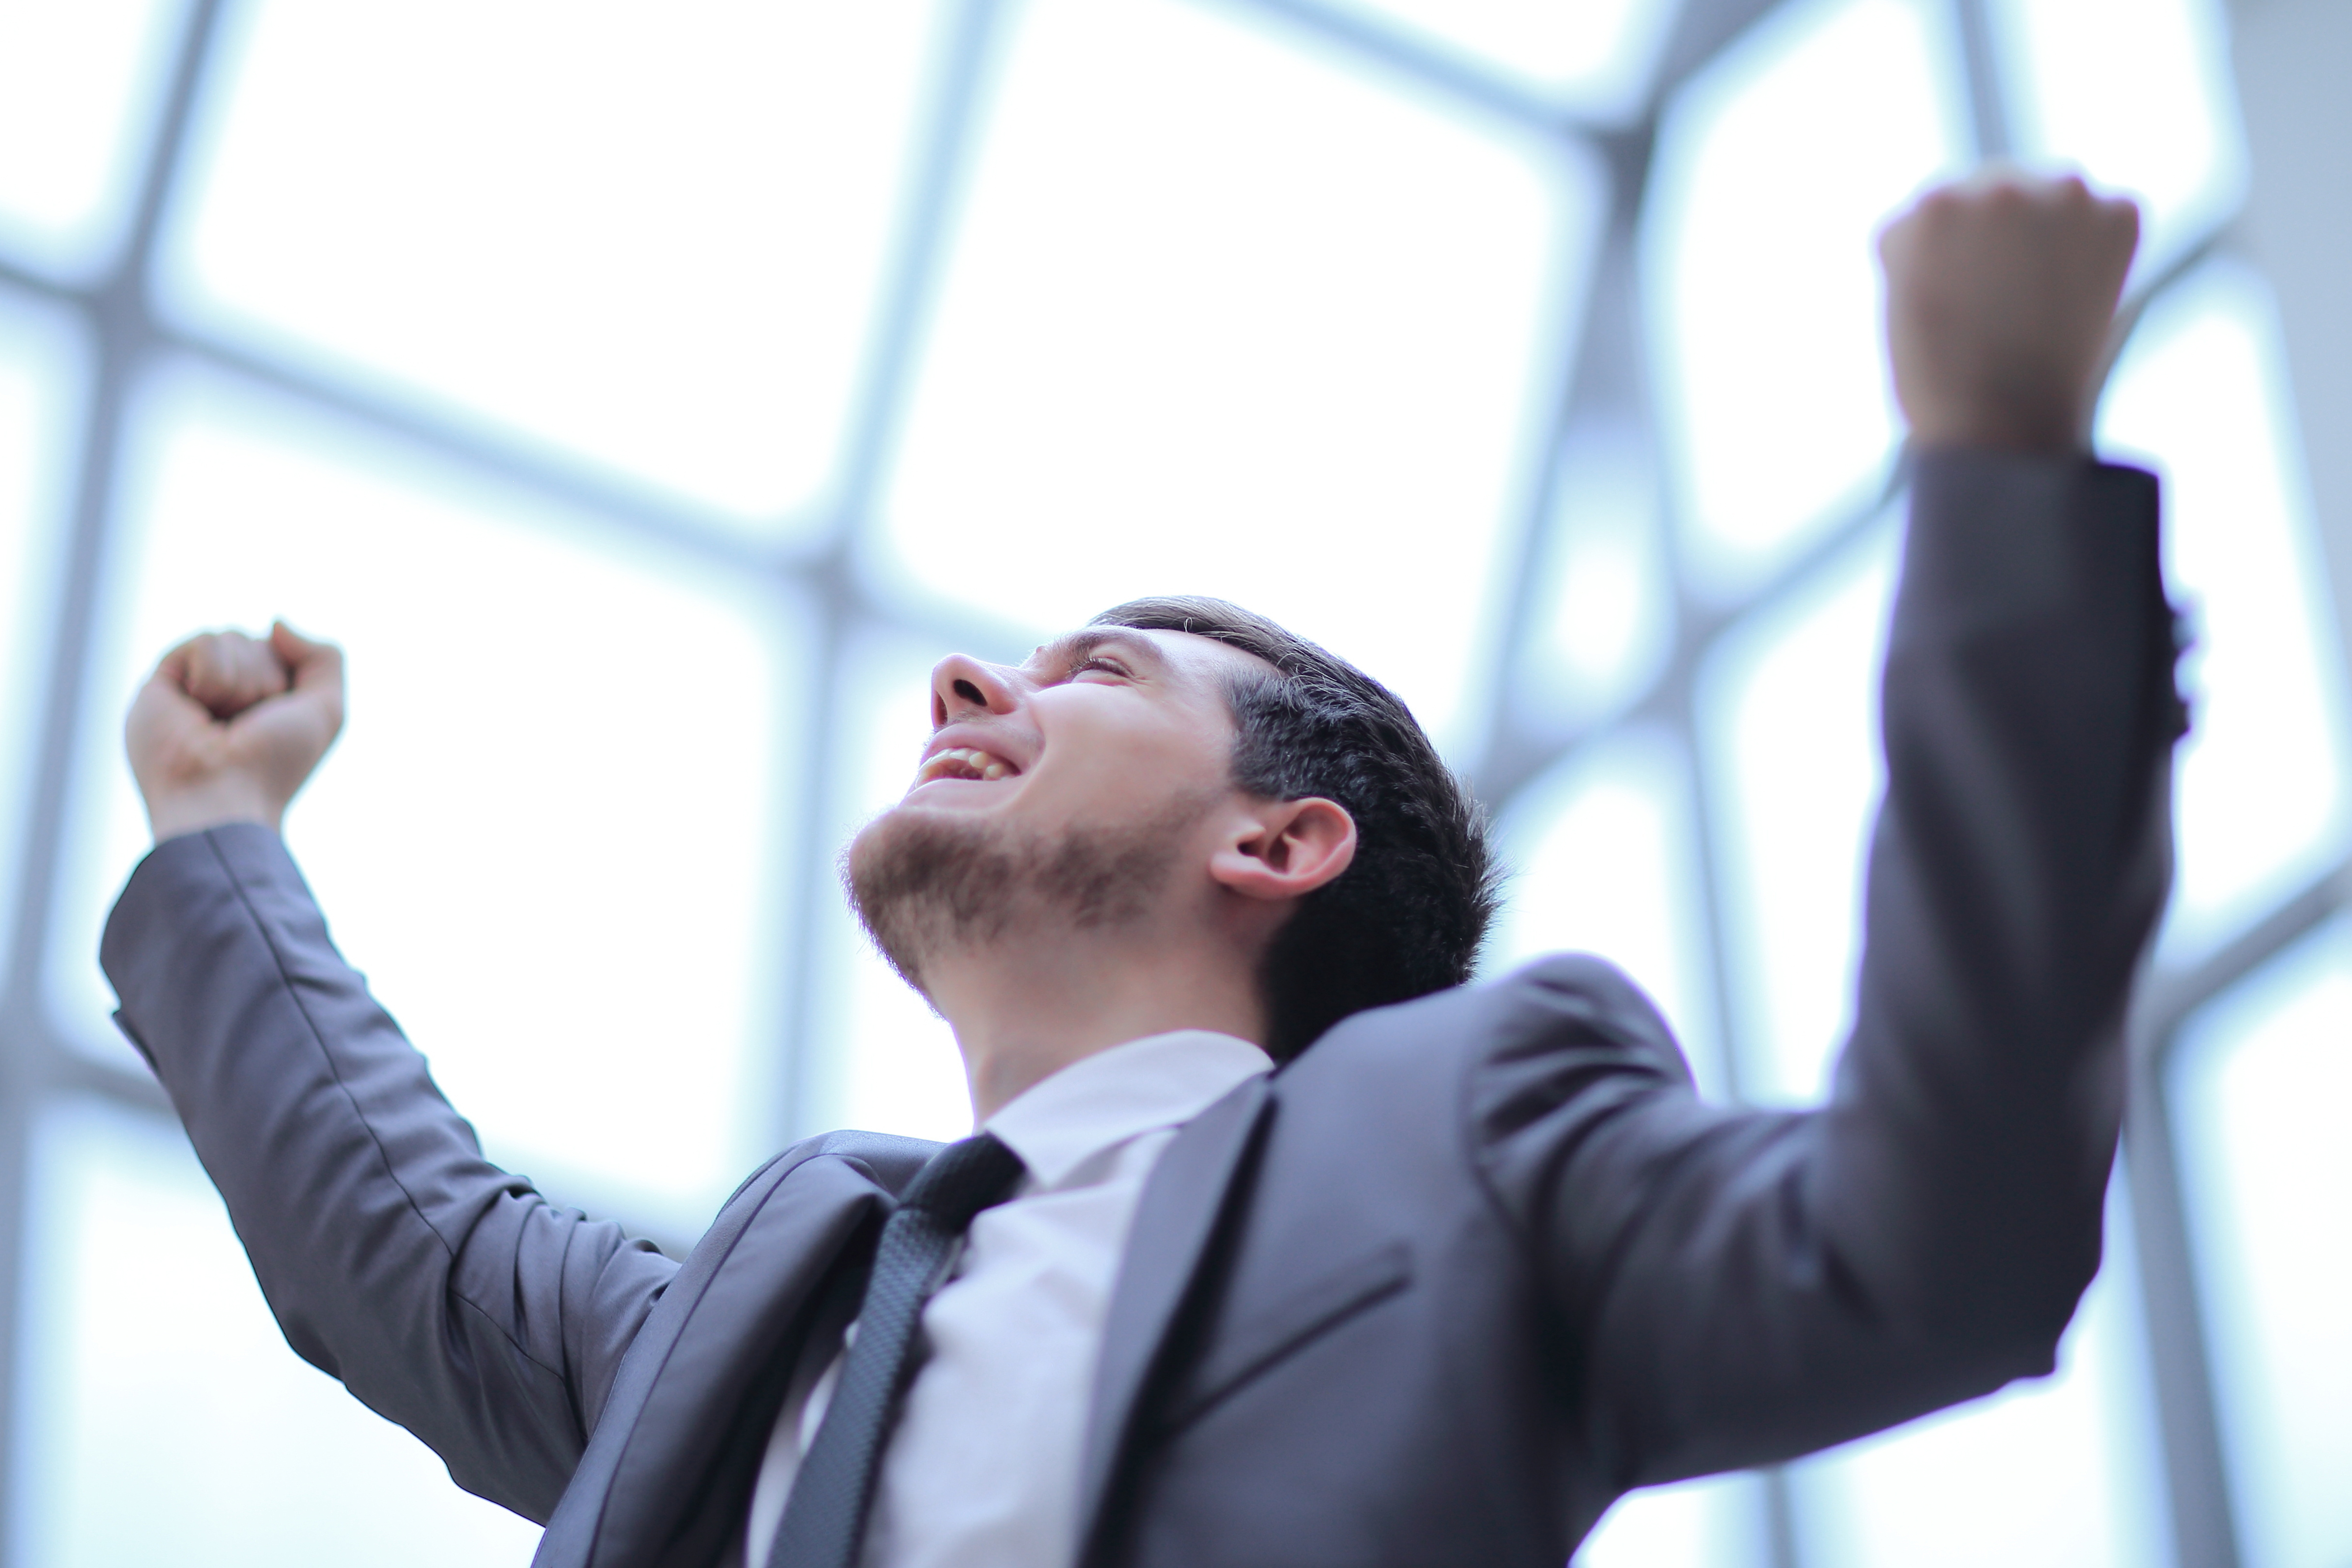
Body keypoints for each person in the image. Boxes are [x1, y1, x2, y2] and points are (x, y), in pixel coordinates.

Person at [101, 169, 2175, 1568]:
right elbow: (411, 1249)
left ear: (1277, 840)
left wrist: (2000, 466)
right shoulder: (766, 1281)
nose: (966, 677)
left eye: (1090, 669)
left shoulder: (1468, 1136)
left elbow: (1942, 1239)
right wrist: (220, 832)